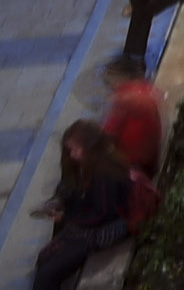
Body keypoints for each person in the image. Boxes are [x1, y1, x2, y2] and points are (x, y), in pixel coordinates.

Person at [30, 120, 133, 290]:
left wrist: (66, 219)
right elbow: (68, 185)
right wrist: (59, 202)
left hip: (105, 228)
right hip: (87, 219)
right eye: (70, 149)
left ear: (91, 150)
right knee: (46, 259)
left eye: (76, 150)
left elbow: (103, 213)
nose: (72, 154)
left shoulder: (105, 173)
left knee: (47, 274)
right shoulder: (82, 164)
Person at [96, 60, 162, 183]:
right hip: (149, 157)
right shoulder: (146, 89)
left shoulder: (123, 98)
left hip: (132, 160)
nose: (109, 85)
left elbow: (108, 131)